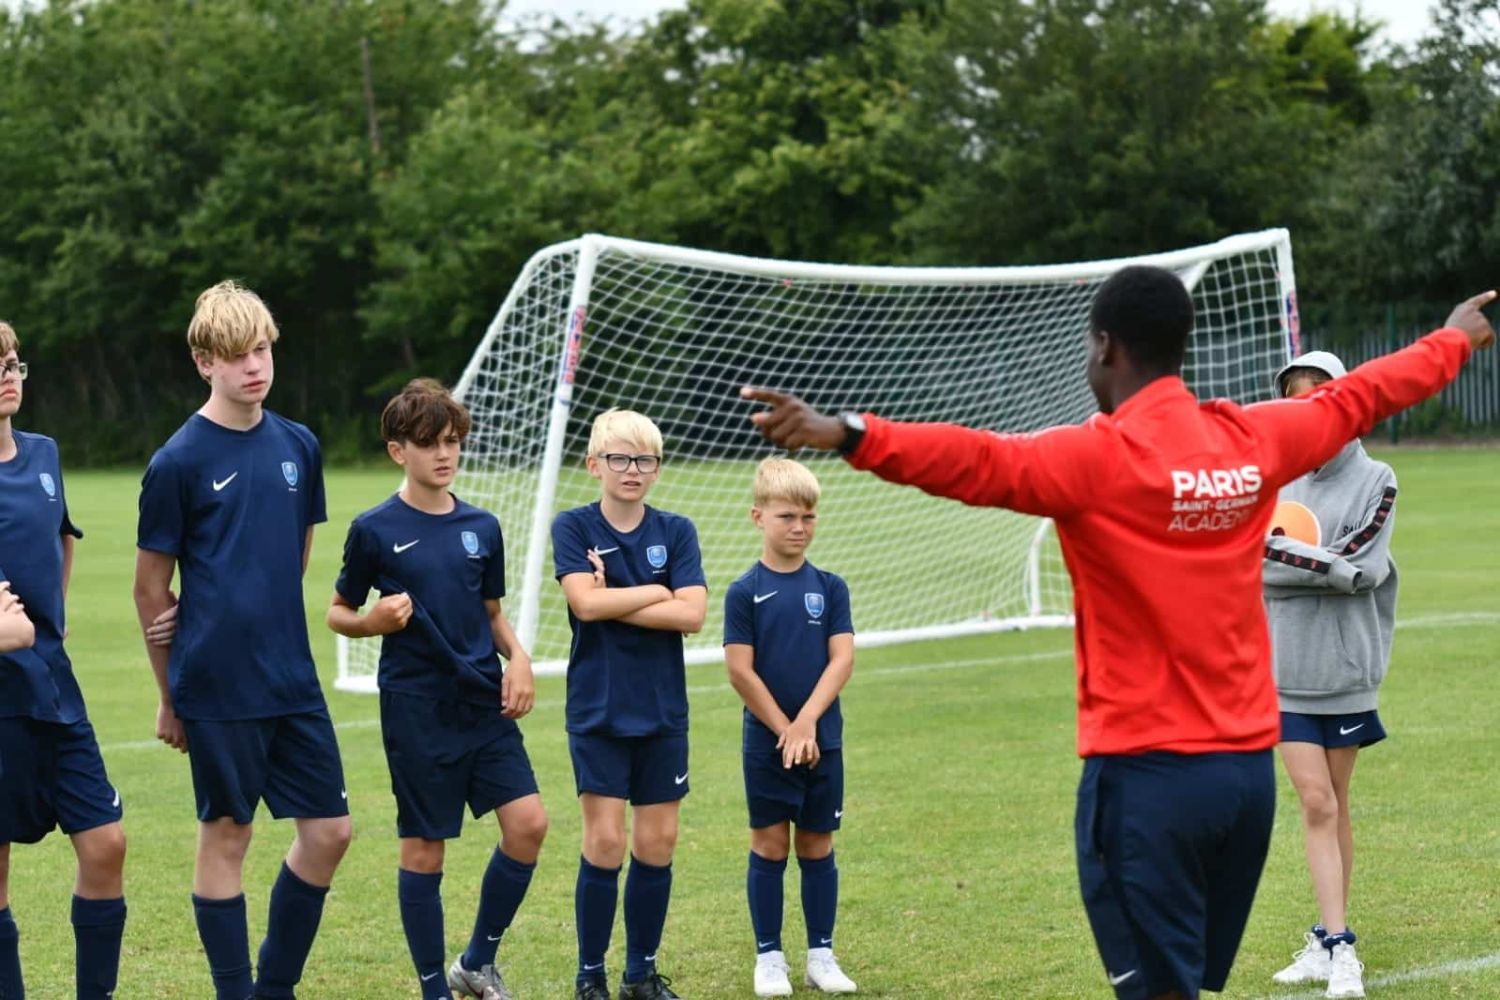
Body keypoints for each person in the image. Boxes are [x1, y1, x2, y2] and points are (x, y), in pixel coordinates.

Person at [740, 269, 1495, 1000]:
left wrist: (845, 433)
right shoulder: (1249, 439)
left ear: (1105, 347)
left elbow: (974, 461)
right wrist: (1454, 340)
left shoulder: (1094, 458)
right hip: (1241, 780)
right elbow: (1360, 396)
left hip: (1148, 779)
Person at [134, 281, 352, 1000]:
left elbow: (290, 559)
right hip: (218, 683)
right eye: (234, 355)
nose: (253, 365)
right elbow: (149, 589)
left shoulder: (300, 445)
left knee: (331, 833)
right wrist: (171, 696)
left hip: (291, 677)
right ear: (204, 363)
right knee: (228, 835)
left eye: (260, 349)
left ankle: (273, 988)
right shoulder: (177, 461)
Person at [327, 378, 546, 1000]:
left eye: (452, 442)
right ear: (400, 451)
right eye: (429, 444)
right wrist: (371, 621)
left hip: (482, 699)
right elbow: (338, 611)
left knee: (528, 824)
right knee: (425, 849)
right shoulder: (374, 529)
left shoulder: (483, 526)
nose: (444, 455)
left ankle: (476, 961)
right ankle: (432, 989)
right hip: (416, 707)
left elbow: (492, 615)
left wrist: (521, 660)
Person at [0, 320, 146, 1000]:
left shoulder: (45, 454)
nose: (9, 374)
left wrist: (45, 618)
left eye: (12, 362)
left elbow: (62, 538)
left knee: (105, 845)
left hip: (56, 691)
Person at [551, 409, 707, 1000]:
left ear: (657, 468)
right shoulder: (573, 527)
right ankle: (589, 975)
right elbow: (584, 607)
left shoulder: (676, 531)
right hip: (599, 708)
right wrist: (650, 592)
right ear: (595, 465)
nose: (632, 469)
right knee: (607, 842)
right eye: (619, 458)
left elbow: (692, 615)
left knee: (657, 842)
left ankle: (639, 974)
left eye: (645, 459)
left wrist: (610, 592)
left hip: (663, 710)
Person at [1263, 351, 1398, 1000]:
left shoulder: (1378, 478)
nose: (1308, 406)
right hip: (1282, 672)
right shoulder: (1276, 478)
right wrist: (1321, 565)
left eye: (1320, 394)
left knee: (1334, 805)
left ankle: (1326, 934)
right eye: (1296, 397)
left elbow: (1364, 569)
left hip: (1344, 671)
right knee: (1315, 801)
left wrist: (1286, 558)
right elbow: (1250, 561)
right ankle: (1340, 949)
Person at [723, 458, 857, 997]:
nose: (799, 527)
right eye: (786, 516)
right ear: (758, 517)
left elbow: (841, 661)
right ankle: (769, 958)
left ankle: (821, 956)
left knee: (818, 843)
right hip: (768, 742)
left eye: (808, 516)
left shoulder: (830, 586)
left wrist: (806, 724)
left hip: (821, 738)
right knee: (770, 843)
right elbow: (739, 669)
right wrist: (785, 728)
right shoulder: (743, 591)